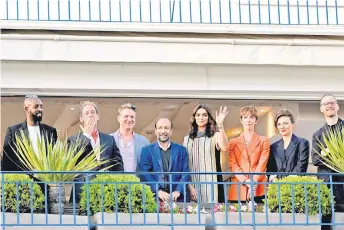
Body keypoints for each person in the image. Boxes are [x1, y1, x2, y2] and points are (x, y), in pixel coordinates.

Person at [68, 101, 124, 203]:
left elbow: (118, 165)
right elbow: (72, 161)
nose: (90, 115)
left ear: (98, 116)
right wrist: (86, 136)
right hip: (82, 191)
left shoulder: (109, 139)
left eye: (93, 112)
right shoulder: (73, 140)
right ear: (81, 118)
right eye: (87, 113)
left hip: (107, 191)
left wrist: (117, 185)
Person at [183, 104, 229, 203]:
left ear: (209, 118)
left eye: (204, 115)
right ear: (194, 117)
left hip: (213, 184)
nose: (201, 118)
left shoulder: (215, 136)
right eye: (198, 115)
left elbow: (225, 147)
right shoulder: (187, 139)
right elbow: (184, 165)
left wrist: (220, 125)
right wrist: (189, 186)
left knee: (214, 214)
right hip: (193, 185)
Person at [2, 95, 58, 172]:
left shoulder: (50, 131)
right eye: (36, 107)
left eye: (41, 107)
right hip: (23, 180)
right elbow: (7, 160)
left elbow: (55, 157)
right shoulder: (13, 131)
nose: (40, 109)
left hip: (45, 180)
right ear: (26, 109)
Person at [140, 117, 190, 202]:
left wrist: (178, 191)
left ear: (171, 131)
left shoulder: (182, 150)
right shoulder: (146, 151)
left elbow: (186, 173)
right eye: (160, 128)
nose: (163, 131)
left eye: (166, 128)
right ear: (155, 131)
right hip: (155, 198)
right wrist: (158, 191)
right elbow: (145, 174)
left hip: (179, 199)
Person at [228, 106, 270, 203]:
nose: (248, 120)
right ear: (241, 120)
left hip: (258, 186)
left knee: (261, 217)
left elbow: (262, 164)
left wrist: (253, 182)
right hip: (239, 186)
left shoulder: (264, 141)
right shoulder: (233, 142)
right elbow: (233, 165)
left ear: (256, 120)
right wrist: (245, 180)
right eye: (245, 117)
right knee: (236, 217)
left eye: (252, 117)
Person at [311, 94, 344, 208]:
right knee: (326, 222)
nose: (329, 105)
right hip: (326, 184)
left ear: (337, 106)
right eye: (326, 104)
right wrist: (338, 157)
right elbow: (315, 159)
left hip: (342, 181)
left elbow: (321, 158)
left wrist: (327, 152)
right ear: (321, 109)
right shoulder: (317, 135)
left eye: (332, 103)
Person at [267, 109, 309, 181]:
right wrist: (275, 180)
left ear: (293, 124)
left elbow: (301, 167)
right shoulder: (273, 147)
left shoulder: (302, 143)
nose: (282, 127)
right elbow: (270, 169)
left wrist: (287, 182)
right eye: (279, 124)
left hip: (296, 186)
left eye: (285, 123)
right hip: (277, 188)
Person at [110, 103, 150, 173]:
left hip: (137, 183)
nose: (129, 119)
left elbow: (149, 166)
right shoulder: (109, 139)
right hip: (114, 183)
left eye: (132, 117)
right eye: (126, 116)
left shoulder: (144, 142)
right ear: (118, 118)